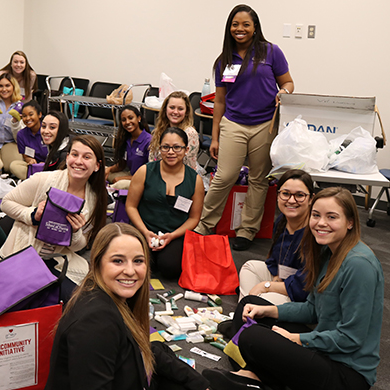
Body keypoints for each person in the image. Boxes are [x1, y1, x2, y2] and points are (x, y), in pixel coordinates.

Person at [204, 187, 384, 390]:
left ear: (350, 222)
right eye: (316, 215)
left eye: (331, 217)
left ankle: (253, 375)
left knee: (252, 337)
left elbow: (350, 338)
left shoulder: (359, 265)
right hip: (325, 352)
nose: (321, 223)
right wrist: (269, 310)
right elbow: (312, 309)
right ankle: (255, 375)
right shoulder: (328, 251)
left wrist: (295, 339)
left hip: (346, 374)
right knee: (249, 305)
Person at [45, 222, 210, 390]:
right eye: (118, 261)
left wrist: (198, 383)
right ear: (97, 263)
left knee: (164, 354)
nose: (130, 271)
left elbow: (142, 348)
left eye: (138, 261)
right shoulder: (96, 324)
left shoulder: (109, 295)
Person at [195, 4, 295, 252]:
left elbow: (289, 83)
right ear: (229, 28)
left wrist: (284, 92)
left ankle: (247, 230)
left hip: (265, 124)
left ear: (255, 28)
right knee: (225, 176)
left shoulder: (271, 52)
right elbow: (219, 101)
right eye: (235, 25)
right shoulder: (224, 60)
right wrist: (214, 136)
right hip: (234, 123)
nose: (240, 29)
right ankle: (205, 225)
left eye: (245, 24)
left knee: (258, 179)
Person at [0, 135, 107, 298]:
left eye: (87, 157)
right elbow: (6, 203)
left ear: (97, 166)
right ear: (68, 156)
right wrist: (33, 214)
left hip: (58, 258)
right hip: (25, 252)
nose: (78, 161)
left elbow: (79, 246)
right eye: (74, 154)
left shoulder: (94, 200)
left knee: (83, 296)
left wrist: (76, 231)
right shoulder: (44, 180)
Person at [126, 127, 204, 279]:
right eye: (165, 147)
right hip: (144, 229)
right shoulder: (144, 171)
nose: (171, 152)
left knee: (170, 268)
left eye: (177, 147)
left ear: (186, 149)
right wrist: (145, 232)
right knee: (136, 263)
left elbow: (194, 218)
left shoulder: (195, 180)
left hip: (175, 233)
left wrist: (172, 236)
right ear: (159, 148)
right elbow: (131, 206)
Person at [238, 169, 314, 304]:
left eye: (300, 195)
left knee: (264, 299)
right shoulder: (282, 221)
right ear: (278, 196)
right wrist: (276, 278)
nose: (291, 200)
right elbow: (274, 260)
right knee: (250, 268)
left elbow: (304, 287)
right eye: (285, 194)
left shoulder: (315, 231)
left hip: (303, 294)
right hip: (284, 280)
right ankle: (247, 309)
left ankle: (248, 310)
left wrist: (268, 286)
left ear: (311, 199)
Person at [149, 91, 202, 175]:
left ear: (186, 111)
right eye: (172, 107)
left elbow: (188, 165)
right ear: (165, 108)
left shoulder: (190, 134)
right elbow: (152, 158)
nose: (175, 112)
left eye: (180, 109)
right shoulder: (159, 130)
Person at [0, 73, 24, 173]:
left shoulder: (20, 107)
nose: (4, 89)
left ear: (13, 87)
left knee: (14, 167)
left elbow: (19, 137)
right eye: (0, 86)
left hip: (11, 142)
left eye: (7, 86)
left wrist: (15, 123)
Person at [105, 105, 152, 186]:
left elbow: (150, 174)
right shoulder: (126, 139)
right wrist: (108, 169)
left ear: (139, 118)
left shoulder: (149, 141)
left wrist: (124, 179)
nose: (127, 122)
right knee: (102, 172)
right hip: (131, 174)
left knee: (119, 184)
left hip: (144, 180)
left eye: (130, 118)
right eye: (124, 120)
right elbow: (121, 165)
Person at [9, 99, 49, 179]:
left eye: (31, 114)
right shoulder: (21, 134)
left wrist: (46, 163)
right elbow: (25, 156)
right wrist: (30, 160)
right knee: (14, 165)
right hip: (34, 167)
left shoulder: (47, 131)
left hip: (50, 166)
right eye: (24, 116)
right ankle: (36, 180)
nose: (27, 118)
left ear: (39, 114)